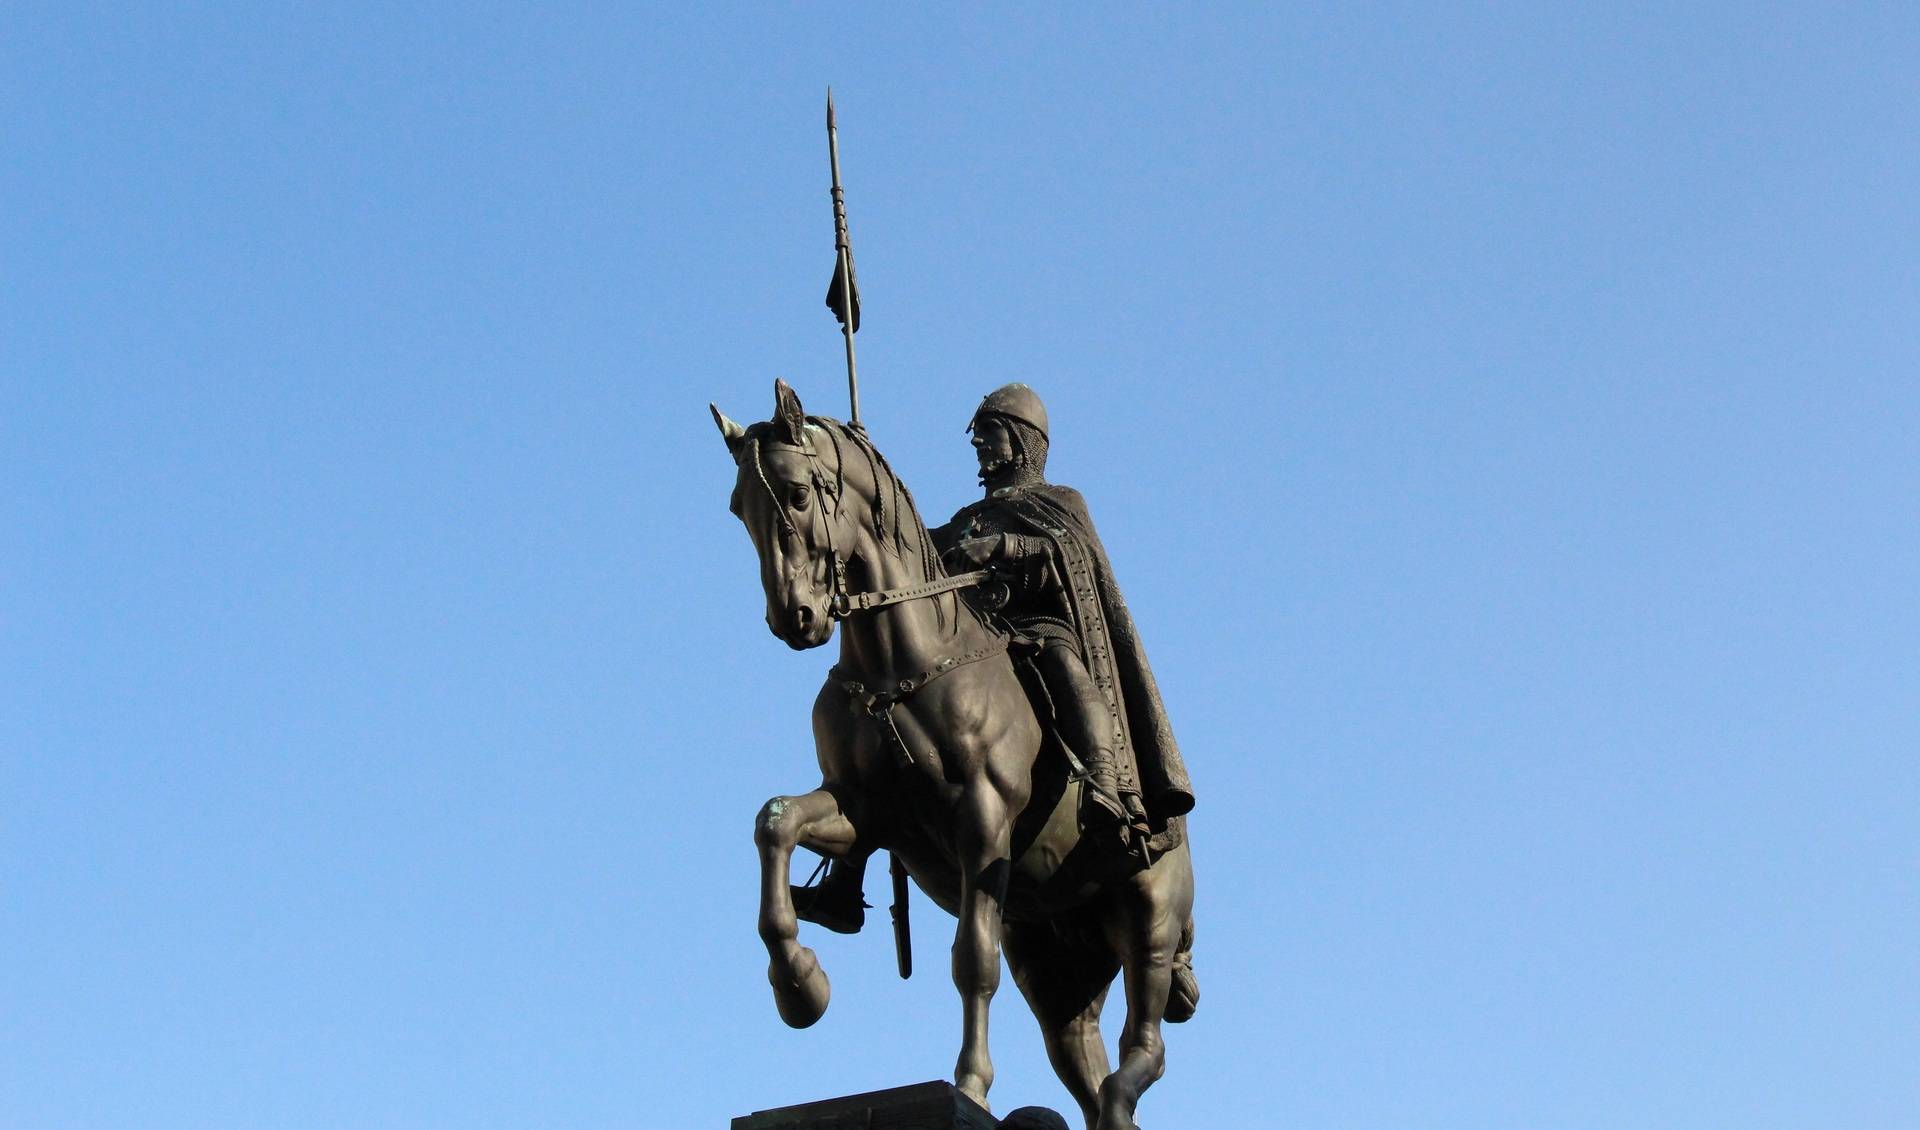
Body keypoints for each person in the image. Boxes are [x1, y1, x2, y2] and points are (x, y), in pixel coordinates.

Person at [933, 383, 1194, 854]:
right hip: (976, 636)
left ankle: (1105, 782)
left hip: (1040, 626)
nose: (978, 442)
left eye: (990, 431)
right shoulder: (966, 517)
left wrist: (1004, 546)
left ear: (1021, 440)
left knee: (1067, 669)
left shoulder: (1061, 501)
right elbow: (910, 547)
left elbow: (1070, 554)